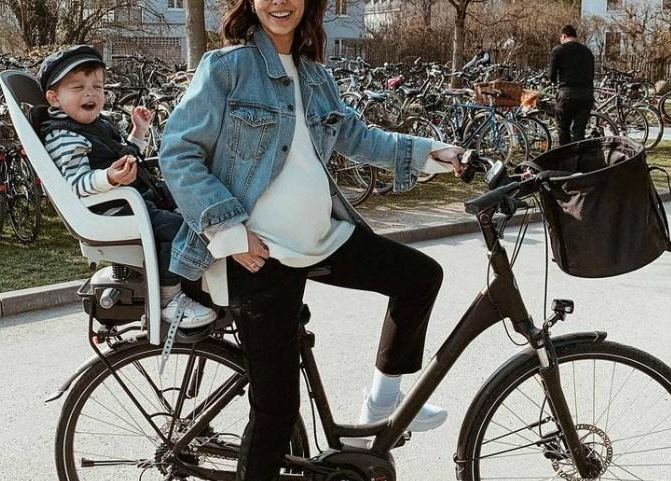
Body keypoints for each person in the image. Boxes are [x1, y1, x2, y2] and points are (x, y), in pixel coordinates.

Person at [158, 0, 466, 478]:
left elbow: (359, 138)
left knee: (419, 276)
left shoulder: (315, 76)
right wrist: (229, 232)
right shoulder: (227, 68)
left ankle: (380, 405)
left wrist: (432, 153)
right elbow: (178, 154)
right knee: (277, 411)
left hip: (324, 239)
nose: (280, 2)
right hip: (260, 257)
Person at [36, 45, 217, 329]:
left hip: (133, 197)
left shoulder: (96, 124)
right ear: (54, 98)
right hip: (113, 209)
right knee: (177, 229)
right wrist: (109, 178)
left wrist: (139, 131)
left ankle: (203, 274)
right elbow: (75, 184)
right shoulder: (64, 136)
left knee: (192, 194)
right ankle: (169, 298)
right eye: (78, 87)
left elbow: (124, 157)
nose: (90, 93)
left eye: (97, 86)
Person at [548, 24, 596, 146]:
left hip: (567, 94)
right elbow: (591, 74)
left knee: (563, 129)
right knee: (579, 130)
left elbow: (551, 75)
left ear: (563, 36)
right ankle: (579, 155)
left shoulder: (558, 50)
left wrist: (554, 82)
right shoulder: (587, 52)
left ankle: (566, 155)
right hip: (586, 94)